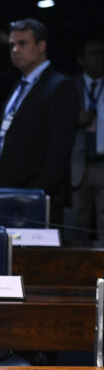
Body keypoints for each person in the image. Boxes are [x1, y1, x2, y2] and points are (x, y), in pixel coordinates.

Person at [0, 18, 79, 223]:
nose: (15, 50)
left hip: (37, 199)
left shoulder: (60, 86)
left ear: (41, 46)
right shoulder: (18, 85)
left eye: (22, 43)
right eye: (12, 45)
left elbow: (58, 151)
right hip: (6, 193)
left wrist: (36, 194)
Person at [70, 35, 104, 242]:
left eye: (102, 53)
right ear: (81, 59)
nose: (99, 58)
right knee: (76, 223)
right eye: (93, 54)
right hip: (78, 163)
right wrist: (74, 118)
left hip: (103, 163)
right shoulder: (69, 86)